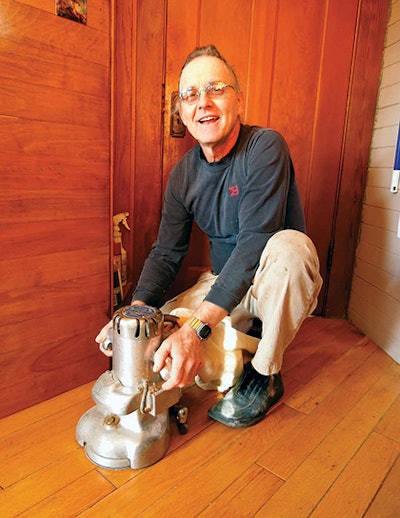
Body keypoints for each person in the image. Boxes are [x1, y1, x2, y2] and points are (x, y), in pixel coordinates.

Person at [96, 44, 323, 428]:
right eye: (191, 95)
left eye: (216, 89)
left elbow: (255, 242)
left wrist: (198, 329)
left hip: (272, 282)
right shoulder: (183, 176)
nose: (204, 102)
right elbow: (166, 253)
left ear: (238, 98)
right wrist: (133, 315)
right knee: (155, 333)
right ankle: (236, 352)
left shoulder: (265, 146)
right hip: (222, 286)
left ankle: (264, 375)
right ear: (182, 113)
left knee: (292, 247)